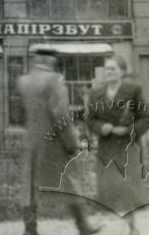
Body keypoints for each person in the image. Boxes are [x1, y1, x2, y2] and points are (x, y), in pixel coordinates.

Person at [18, 48, 100, 235]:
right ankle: (83, 226)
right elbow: (60, 114)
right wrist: (72, 143)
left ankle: (30, 229)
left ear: (36, 60)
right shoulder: (54, 80)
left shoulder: (22, 81)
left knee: (29, 185)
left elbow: (22, 113)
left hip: (31, 140)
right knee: (70, 181)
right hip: (54, 141)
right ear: (50, 60)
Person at [86, 55, 149, 235]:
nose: (109, 72)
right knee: (108, 190)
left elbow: (146, 120)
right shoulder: (95, 93)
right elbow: (90, 121)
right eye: (106, 69)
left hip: (128, 148)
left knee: (128, 190)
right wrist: (101, 127)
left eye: (113, 69)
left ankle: (132, 228)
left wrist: (128, 131)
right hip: (106, 148)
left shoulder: (133, 90)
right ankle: (110, 228)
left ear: (122, 72)